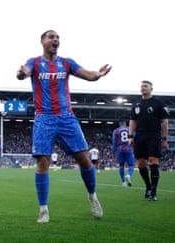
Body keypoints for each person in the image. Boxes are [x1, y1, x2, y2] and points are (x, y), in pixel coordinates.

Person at [16, 29, 111, 223]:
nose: (55, 39)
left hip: (67, 118)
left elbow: (88, 75)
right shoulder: (34, 62)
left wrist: (98, 74)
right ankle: (43, 209)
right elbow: (23, 73)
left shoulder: (66, 63)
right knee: (42, 161)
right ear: (42, 41)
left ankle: (92, 196)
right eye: (51, 37)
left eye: (57, 37)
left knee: (84, 160)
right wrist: (22, 73)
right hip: (44, 118)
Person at [128, 80, 169, 201]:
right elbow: (132, 121)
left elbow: (165, 121)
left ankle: (154, 192)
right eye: (141, 86)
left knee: (152, 161)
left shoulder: (158, 103)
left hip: (154, 135)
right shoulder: (136, 104)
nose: (143, 88)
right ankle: (148, 187)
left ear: (151, 89)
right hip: (140, 136)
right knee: (140, 163)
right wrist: (130, 136)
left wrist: (164, 138)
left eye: (145, 86)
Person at [112, 120, 135, 187]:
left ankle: (123, 182)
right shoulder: (129, 129)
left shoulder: (116, 131)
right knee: (131, 165)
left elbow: (114, 143)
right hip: (129, 148)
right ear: (125, 123)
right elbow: (134, 138)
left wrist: (113, 152)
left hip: (120, 149)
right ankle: (128, 175)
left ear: (119, 124)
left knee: (121, 165)